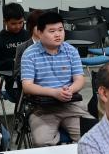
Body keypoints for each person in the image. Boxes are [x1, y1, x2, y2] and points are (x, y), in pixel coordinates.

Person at [20, 11, 92, 146]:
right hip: (42, 109)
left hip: (70, 105)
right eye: (52, 31)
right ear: (39, 33)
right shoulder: (29, 54)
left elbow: (79, 79)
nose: (58, 34)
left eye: (60, 30)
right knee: (42, 142)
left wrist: (70, 90)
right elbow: (27, 86)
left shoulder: (71, 51)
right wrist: (54, 92)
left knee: (90, 136)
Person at [0, 2, 30, 73]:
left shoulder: (28, 36)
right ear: (5, 22)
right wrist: (13, 62)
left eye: (20, 22)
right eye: (13, 23)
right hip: (8, 75)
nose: (18, 26)